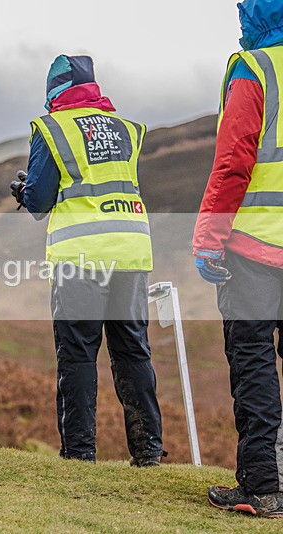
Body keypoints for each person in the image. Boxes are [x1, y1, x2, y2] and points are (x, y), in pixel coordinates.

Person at [11, 55, 164, 465]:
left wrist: (23, 192)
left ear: (54, 92)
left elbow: (41, 200)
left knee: (78, 352)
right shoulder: (127, 128)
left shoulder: (52, 128)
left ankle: (79, 453)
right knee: (133, 349)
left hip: (80, 254)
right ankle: (148, 451)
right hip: (131, 249)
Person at [193, 0, 283, 519]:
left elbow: (234, 159)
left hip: (253, 247)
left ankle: (263, 486)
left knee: (253, 364)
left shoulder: (255, 69)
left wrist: (209, 237)